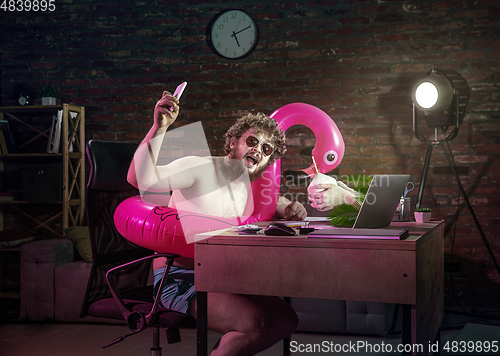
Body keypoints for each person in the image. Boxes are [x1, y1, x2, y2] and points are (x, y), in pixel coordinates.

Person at [127, 90, 306, 356]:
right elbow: (140, 179)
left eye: (266, 149)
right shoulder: (200, 168)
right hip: (180, 278)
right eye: (253, 141)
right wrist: (160, 127)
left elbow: (277, 204)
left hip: (224, 276)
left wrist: (291, 208)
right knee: (254, 324)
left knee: (286, 320)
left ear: (268, 161)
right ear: (233, 141)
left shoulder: (248, 186)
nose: (258, 150)